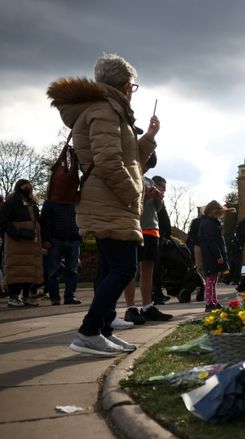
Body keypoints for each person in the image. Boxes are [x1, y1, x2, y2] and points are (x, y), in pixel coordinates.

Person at [48, 52, 159, 355]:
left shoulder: (109, 110)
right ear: (124, 86)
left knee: (110, 268)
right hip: (110, 199)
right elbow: (109, 162)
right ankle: (88, 330)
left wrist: (148, 137)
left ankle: (103, 330)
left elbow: (129, 157)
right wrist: (131, 195)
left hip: (108, 198)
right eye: (133, 87)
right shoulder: (105, 111)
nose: (132, 92)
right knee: (125, 269)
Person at [122, 175, 172, 324]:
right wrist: (144, 195)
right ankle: (130, 308)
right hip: (135, 227)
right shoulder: (129, 174)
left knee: (148, 269)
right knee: (131, 269)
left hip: (152, 229)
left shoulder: (149, 180)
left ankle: (147, 306)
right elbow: (127, 200)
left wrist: (158, 198)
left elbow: (157, 208)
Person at [0, 179, 44, 307]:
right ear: (19, 188)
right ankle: (13, 296)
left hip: (31, 243)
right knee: (15, 269)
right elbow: (3, 221)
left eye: (30, 188)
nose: (29, 190)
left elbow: (38, 222)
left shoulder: (33, 205)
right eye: (26, 188)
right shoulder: (11, 203)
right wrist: (17, 233)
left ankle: (26, 296)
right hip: (16, 243)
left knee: (30, 269)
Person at [40, 198, 81, 305]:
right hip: (55, 240)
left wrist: (80, 236)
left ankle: (69, 296)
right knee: (53, 271)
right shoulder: (50, 202)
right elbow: (44, 222)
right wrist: (45, 239)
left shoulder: (75, 201)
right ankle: (55, 298)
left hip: (73, 239)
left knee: (72, 270)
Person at [197, 200, 230, 311]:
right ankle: (209, 303)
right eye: (218, 213)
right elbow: (210, 241)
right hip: (211, 256)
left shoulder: (210, 222)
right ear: (213, 212)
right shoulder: (208, 224)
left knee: (213, 280)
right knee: (210, 281)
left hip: (212, 256)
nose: (220, 215)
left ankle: (214, 302)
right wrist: (218, 255)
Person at [152, 176, 171, 304]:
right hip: (153, 234)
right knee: (154, 267)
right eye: (162, 187)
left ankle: (157, 292)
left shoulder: (158, 199)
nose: (164, 191)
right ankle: (155, 294)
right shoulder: (154, 199)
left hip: (160, 235)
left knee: (158, 267)